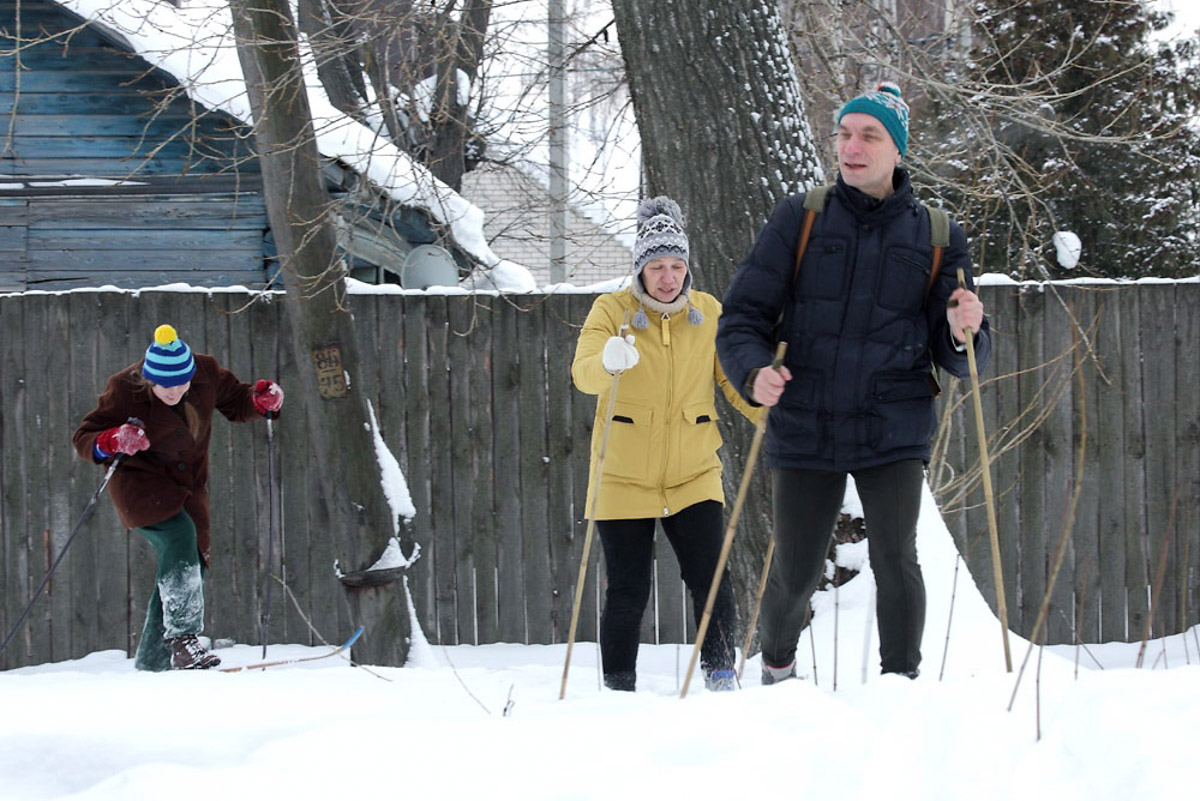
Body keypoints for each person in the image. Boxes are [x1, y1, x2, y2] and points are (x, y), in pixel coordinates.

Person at [716, 83, 992, 683]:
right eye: (844, 133)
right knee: (794, 568)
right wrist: (752, 370)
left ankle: (902, 689)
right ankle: (778, 669)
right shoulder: (802, 217)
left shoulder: (938, 235)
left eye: (869, 135)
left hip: (891, 422)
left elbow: (965, 357)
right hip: (806, 420)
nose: (852, 146)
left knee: (897, 559)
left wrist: (964, 327)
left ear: (897, 151)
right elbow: (741, 318)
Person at [572, 197, 759, 692]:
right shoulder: (611, 311)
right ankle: (618, 687)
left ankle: (721, 675)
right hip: (621, 473)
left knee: (711, 579)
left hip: (693, 471)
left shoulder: (710, 313)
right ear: (640, 268)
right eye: (657, 266)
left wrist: (776, 413)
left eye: (677, 265)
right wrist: (609, 360)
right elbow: (583, 374)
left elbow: (734, 383)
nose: (668, 277)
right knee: (628, 589)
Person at [73, 324, 284, 671]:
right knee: (178, 537)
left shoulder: (206, 372)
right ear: (149, 379)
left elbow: (237, 400)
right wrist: (112, 440)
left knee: (190, 558)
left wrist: (261, 403)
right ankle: (185, 640)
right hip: (140, 485)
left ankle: (156, 662)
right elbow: (85, 436)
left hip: (188, 486)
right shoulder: (125, 388)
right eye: (164, 386)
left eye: (180, 384)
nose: (173, 392)